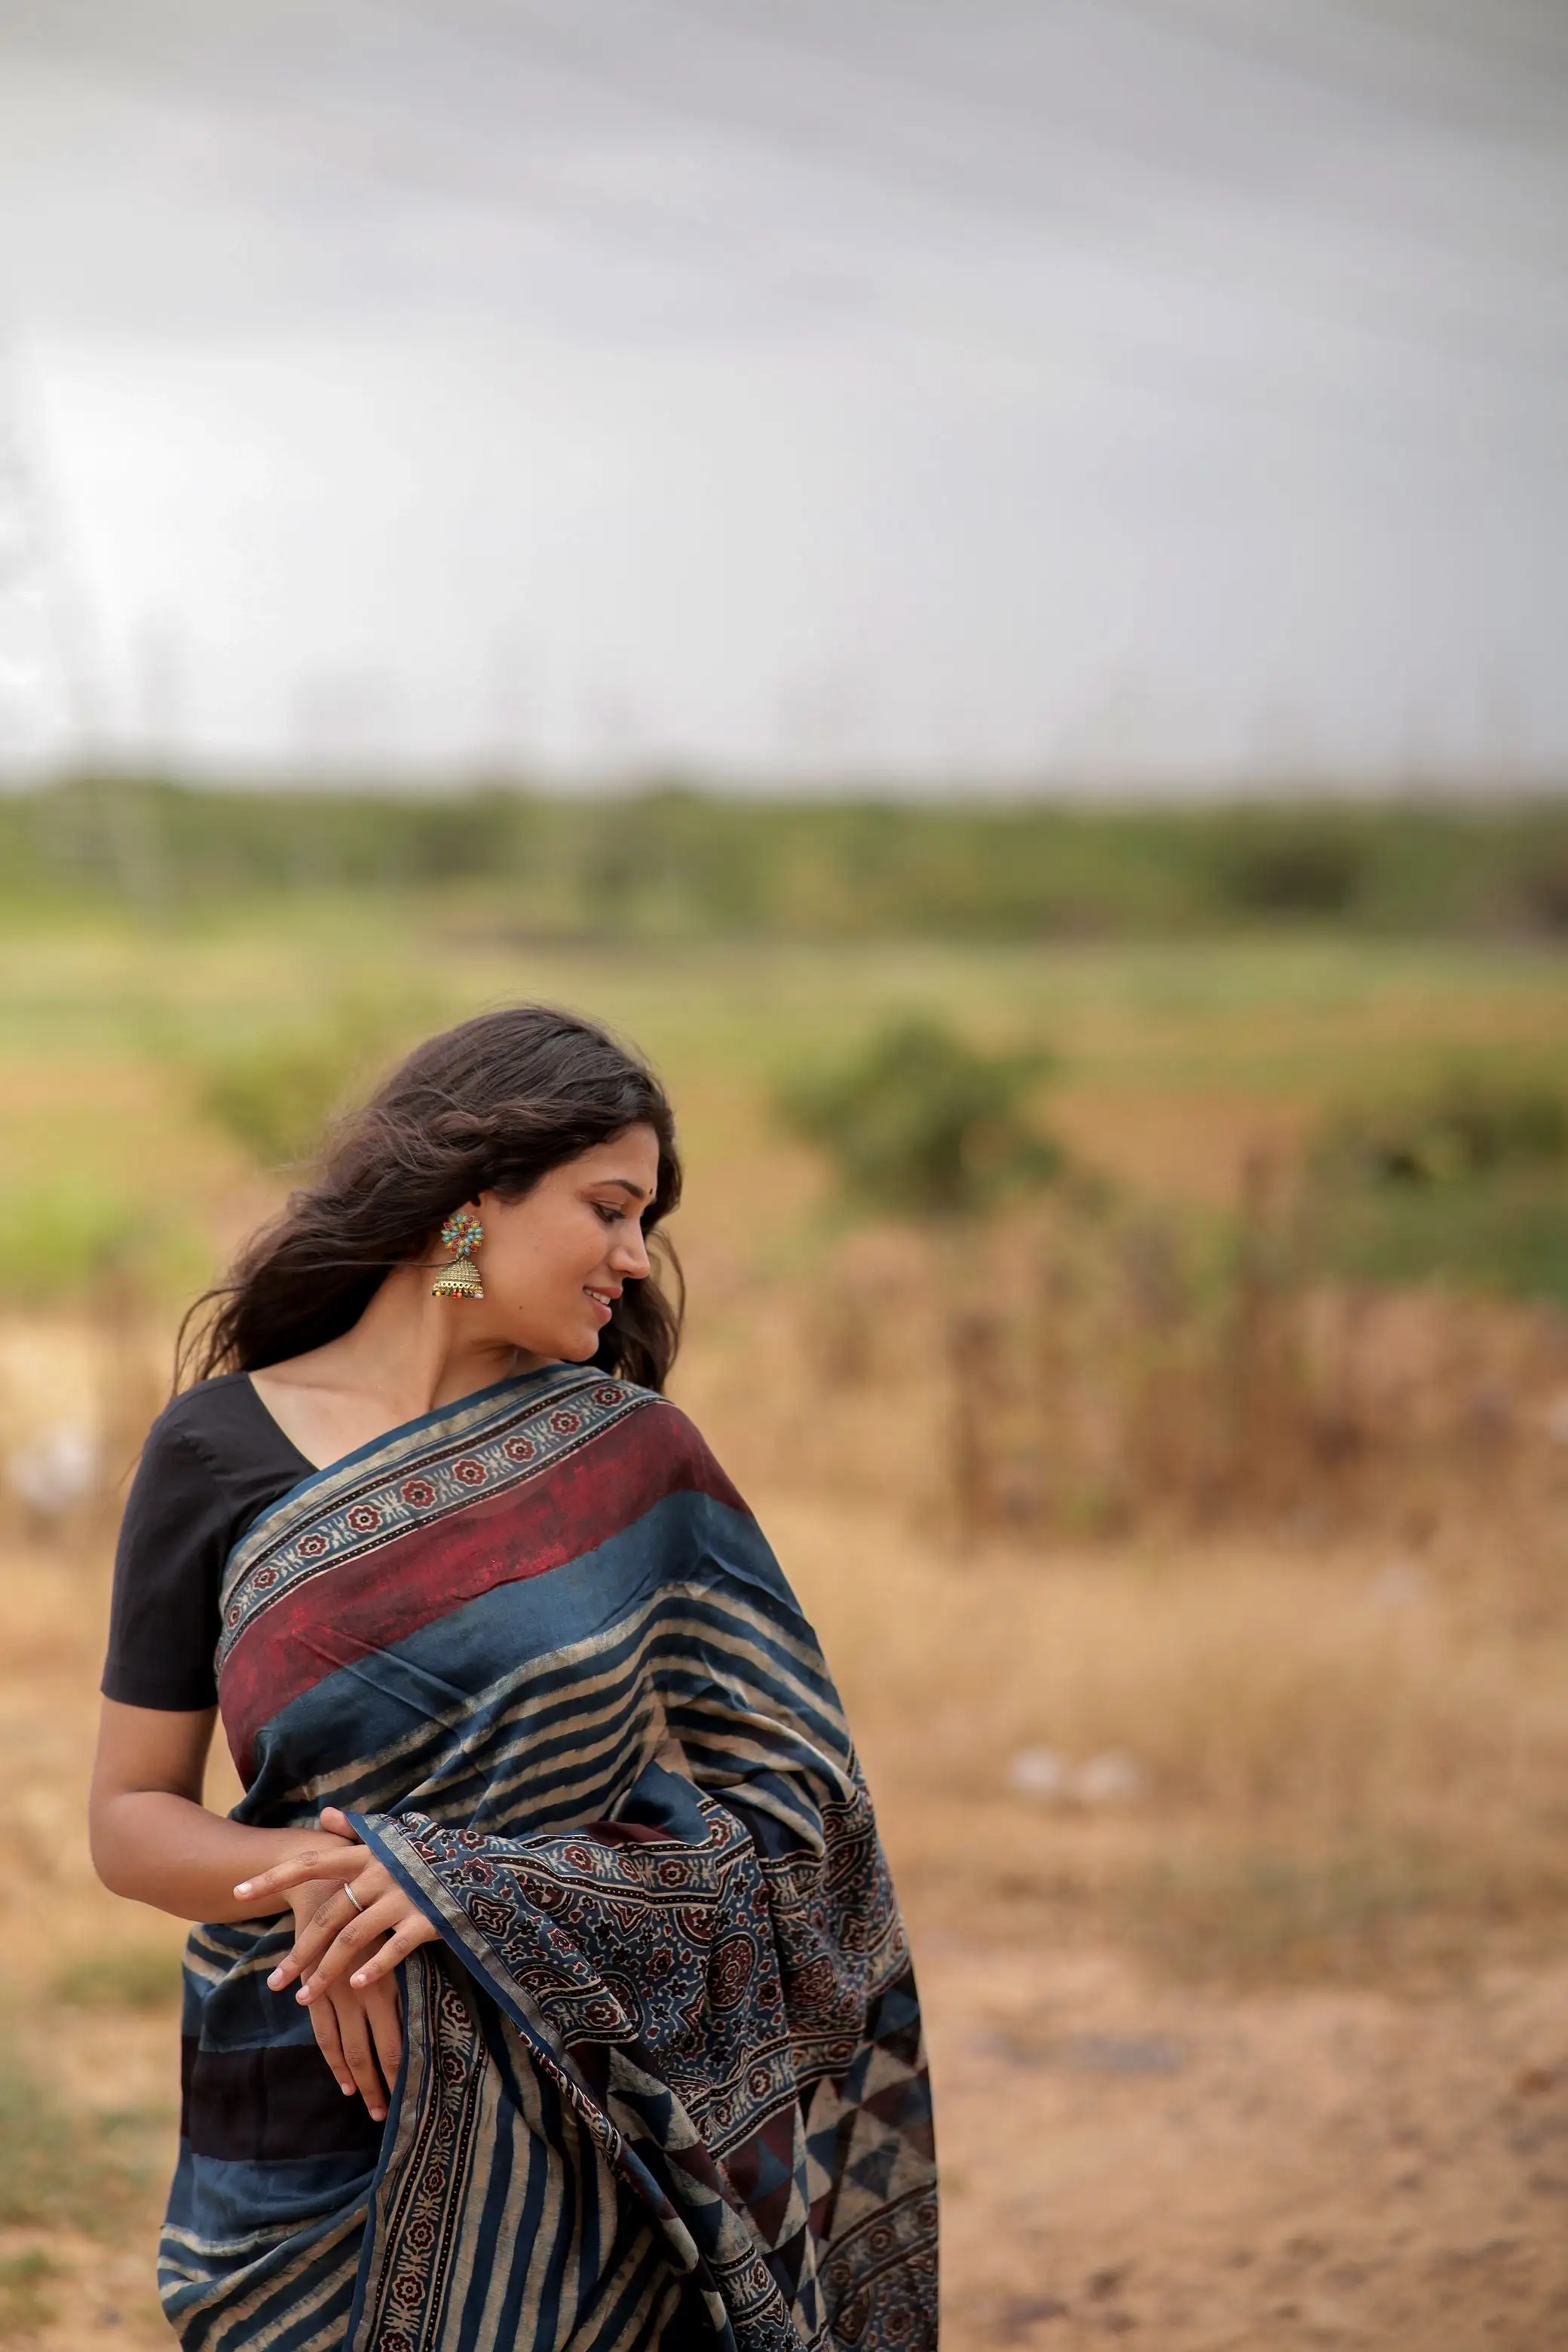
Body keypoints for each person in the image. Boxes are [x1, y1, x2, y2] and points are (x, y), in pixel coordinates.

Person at [89, 1005, 938, 2352]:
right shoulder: (211, 1452)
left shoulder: (634, 1461)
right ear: (472, 1200)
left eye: (644, 1220)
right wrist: (331, 1885)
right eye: (608, 1208)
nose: (633, 1257)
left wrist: (454, 1888)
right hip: (304, 2108)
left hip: (590, 2112)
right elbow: (131, 1818)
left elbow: (805, 1821)